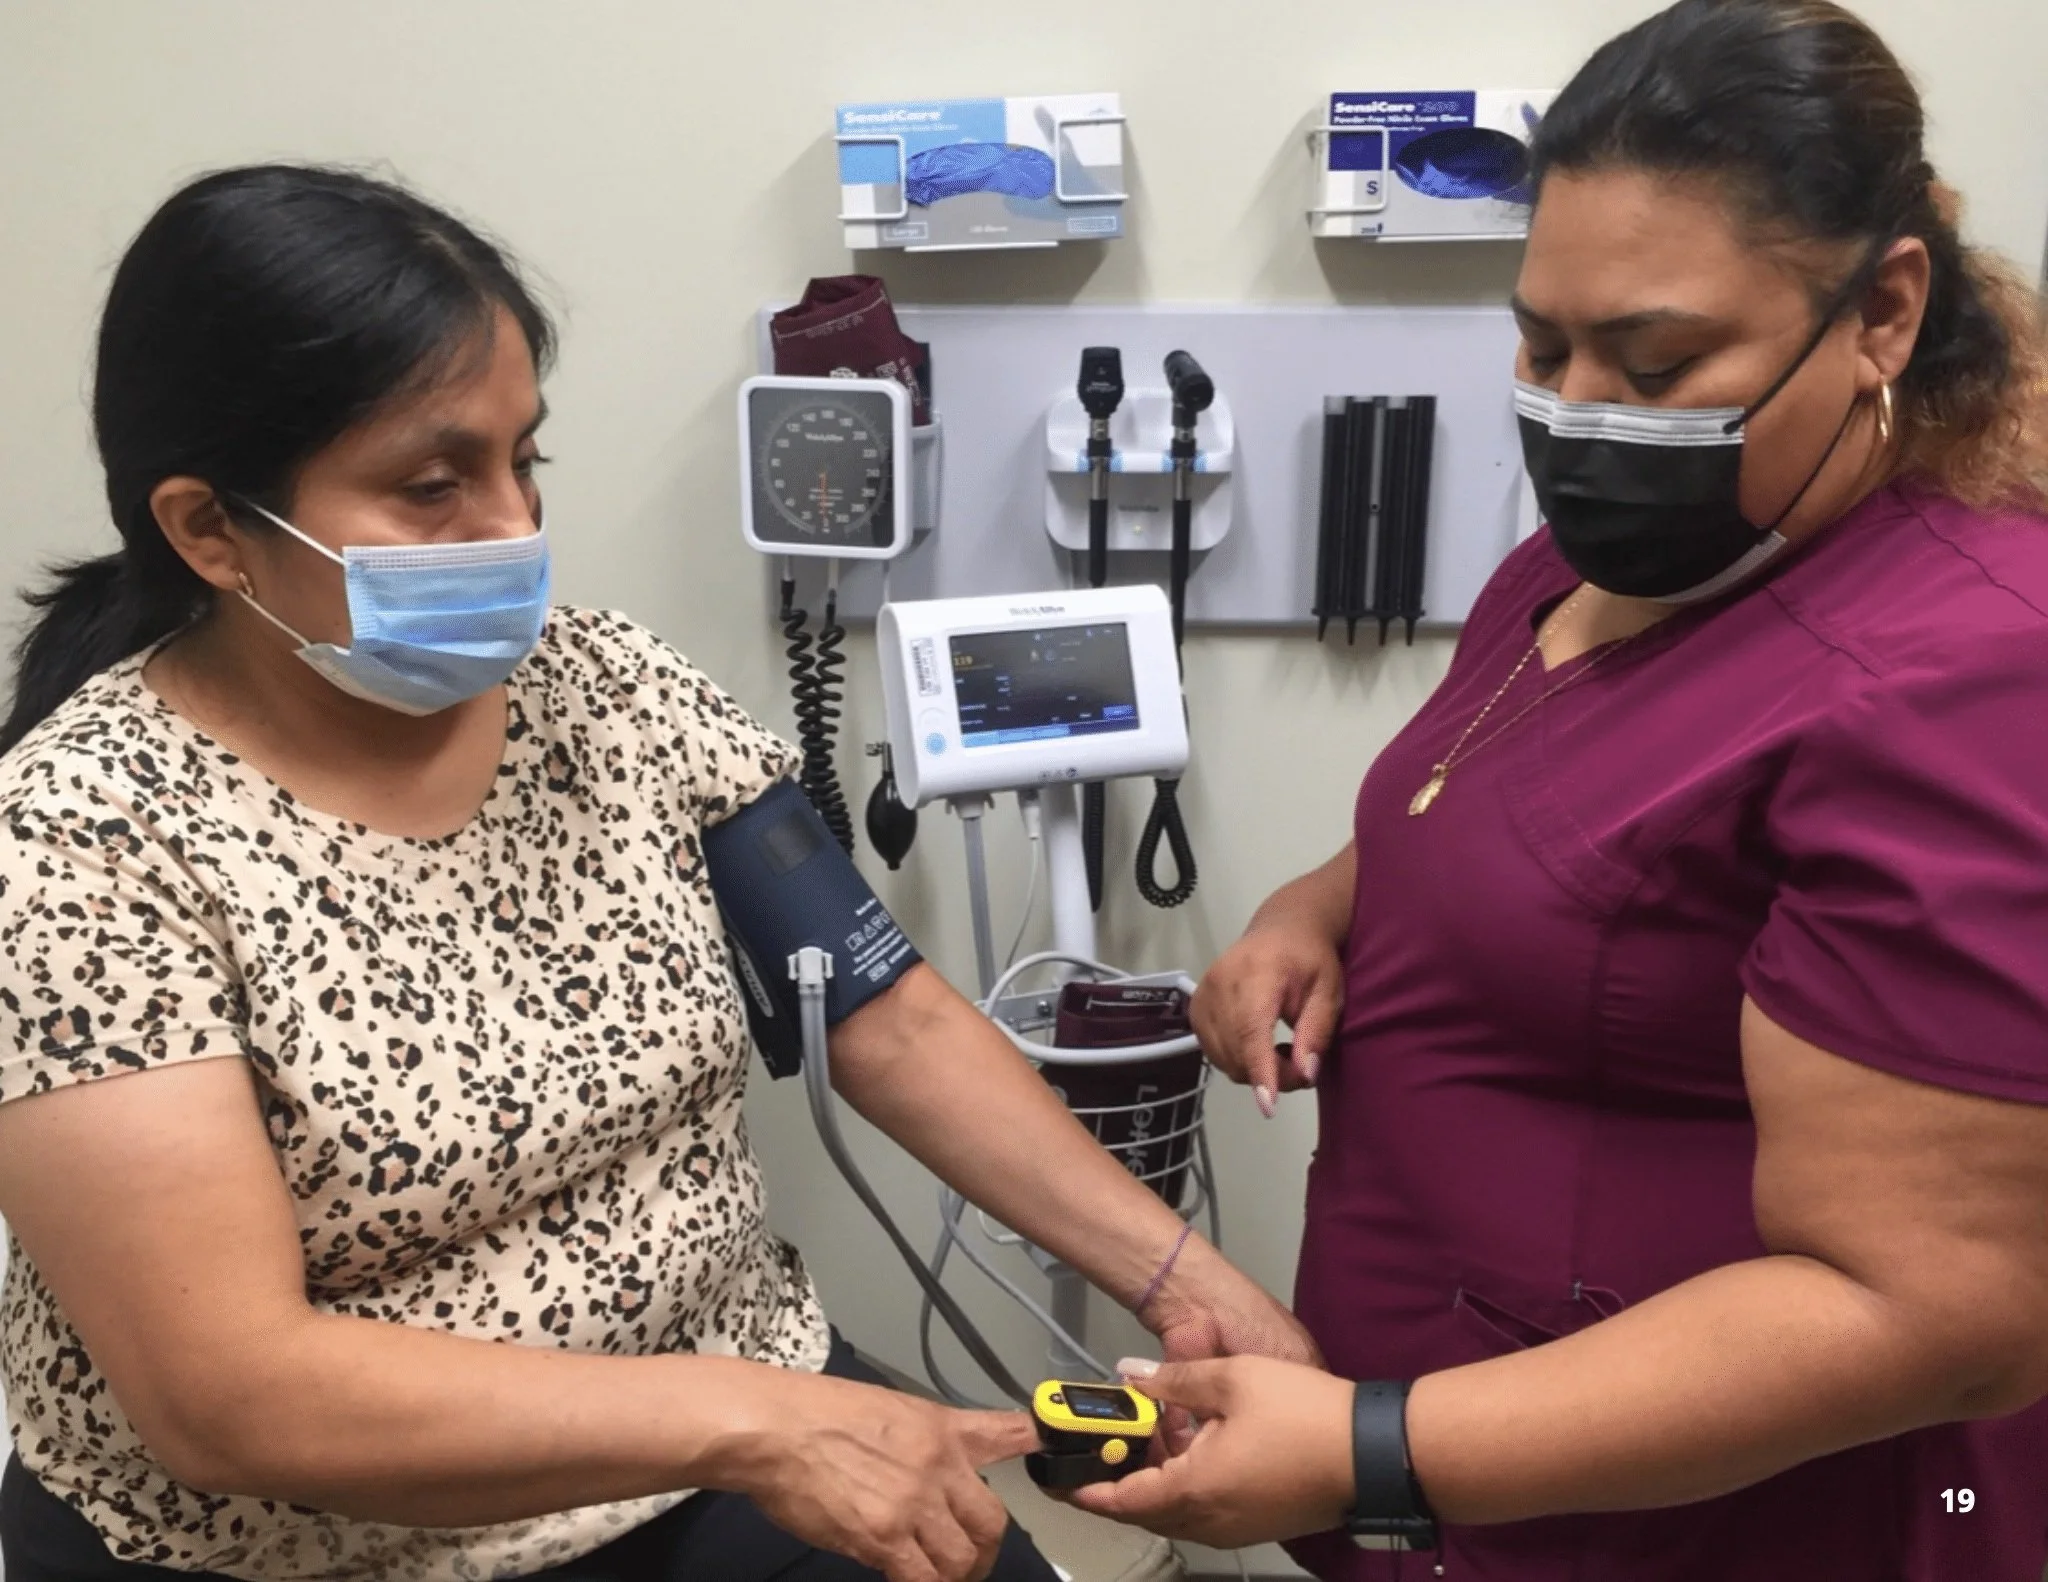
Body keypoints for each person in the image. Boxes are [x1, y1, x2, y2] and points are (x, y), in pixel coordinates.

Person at [0, 164, 1313, 1582]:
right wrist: (750, 1422)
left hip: (730, 1445)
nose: (512, 526)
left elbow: (890, 1017)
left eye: (525, 461)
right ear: (209, 530)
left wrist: (1189, 1282)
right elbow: (230, 1394)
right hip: (319, 1547)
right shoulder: (80, 842)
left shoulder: (610, 688)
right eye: (434, 486)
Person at [1069, 2, 2048, 1578]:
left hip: (1723, 1530)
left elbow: (1934, 1313)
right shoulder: (1626, 555)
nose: (1579, 409)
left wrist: (1371, 1449)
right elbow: (1530, 806)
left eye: (1657, 363)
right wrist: (1314, 912)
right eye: (1542, 348)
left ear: (1883, 312)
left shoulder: (1970, 678)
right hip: (1467, 1481)